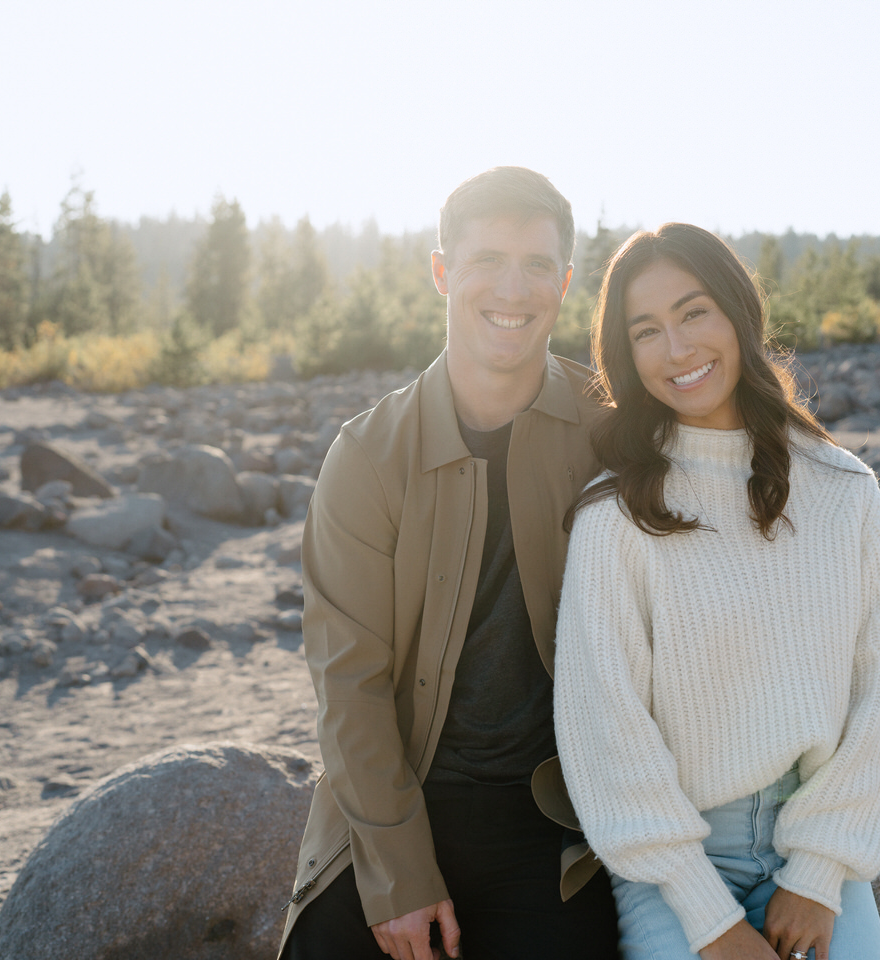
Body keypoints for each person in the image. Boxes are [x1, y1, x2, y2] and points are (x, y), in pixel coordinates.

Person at [278, 167, 620, 960]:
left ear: (565, 283)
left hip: (555, 821)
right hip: (403, 796)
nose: (514, 286)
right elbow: (348, 681)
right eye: (487, 260)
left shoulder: (609, 431)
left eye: (538, 265)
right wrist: (398, 875)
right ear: (441, 271)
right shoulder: (368, 455)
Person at [554, 223, 880, 960]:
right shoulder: (615, 513)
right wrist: (708, 919)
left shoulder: (844, 490)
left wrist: (818, 874)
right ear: (627, 355)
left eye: (694, 313)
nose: (678, 350)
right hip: (677, 859)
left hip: (810, 840)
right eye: (646, 330)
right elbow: (605, 727)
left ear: (737, 312)